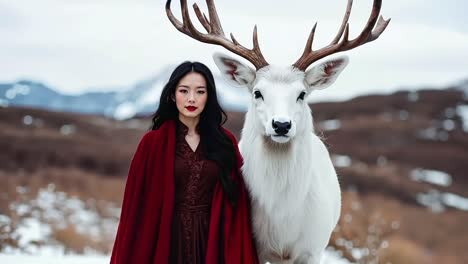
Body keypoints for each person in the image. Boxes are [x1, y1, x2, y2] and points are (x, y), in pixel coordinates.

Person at [109, 61, 259, 264]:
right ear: (172, 95)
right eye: (184, 90)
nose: (191, 98)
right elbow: (136, 208)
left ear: (209, 96)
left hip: (213, 240)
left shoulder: (225, 142)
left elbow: (238, 204)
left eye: (200, 91)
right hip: (166, 239)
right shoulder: (152, 143)